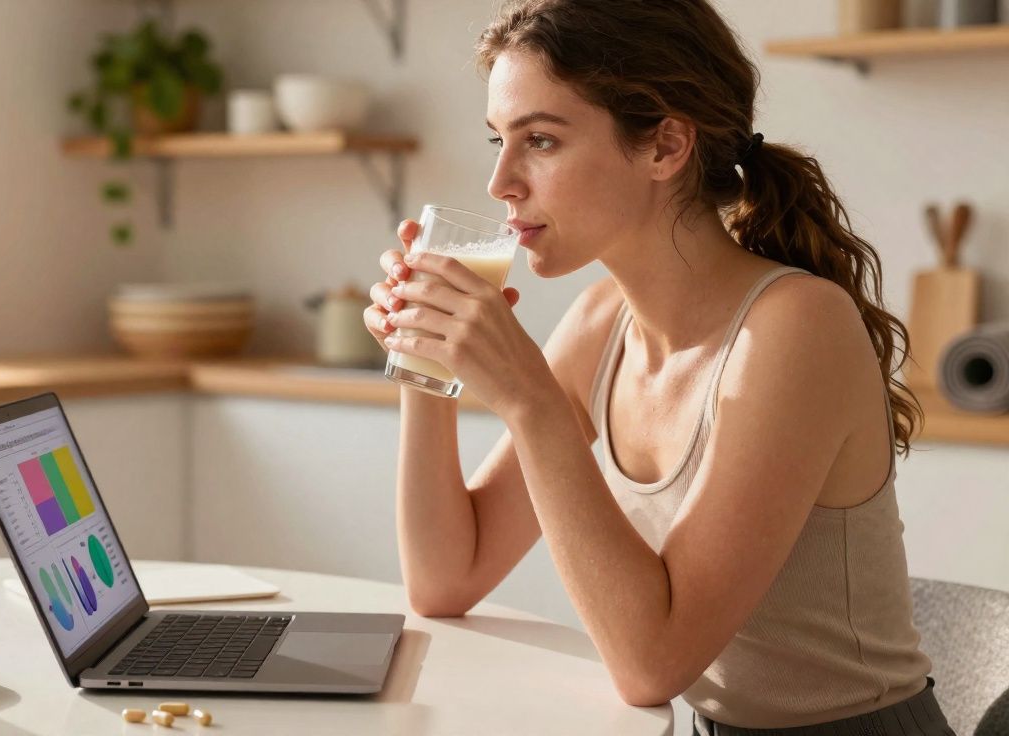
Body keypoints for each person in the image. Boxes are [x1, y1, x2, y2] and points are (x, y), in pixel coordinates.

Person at [363, 1, 956, 734]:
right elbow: (444, 581)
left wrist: (529, 397)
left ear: (665, 146)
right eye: (498, 140)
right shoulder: (599, 324)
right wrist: (426, 358)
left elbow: (651, 666)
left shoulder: (797, 329)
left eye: (540, 140)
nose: (500, 182)